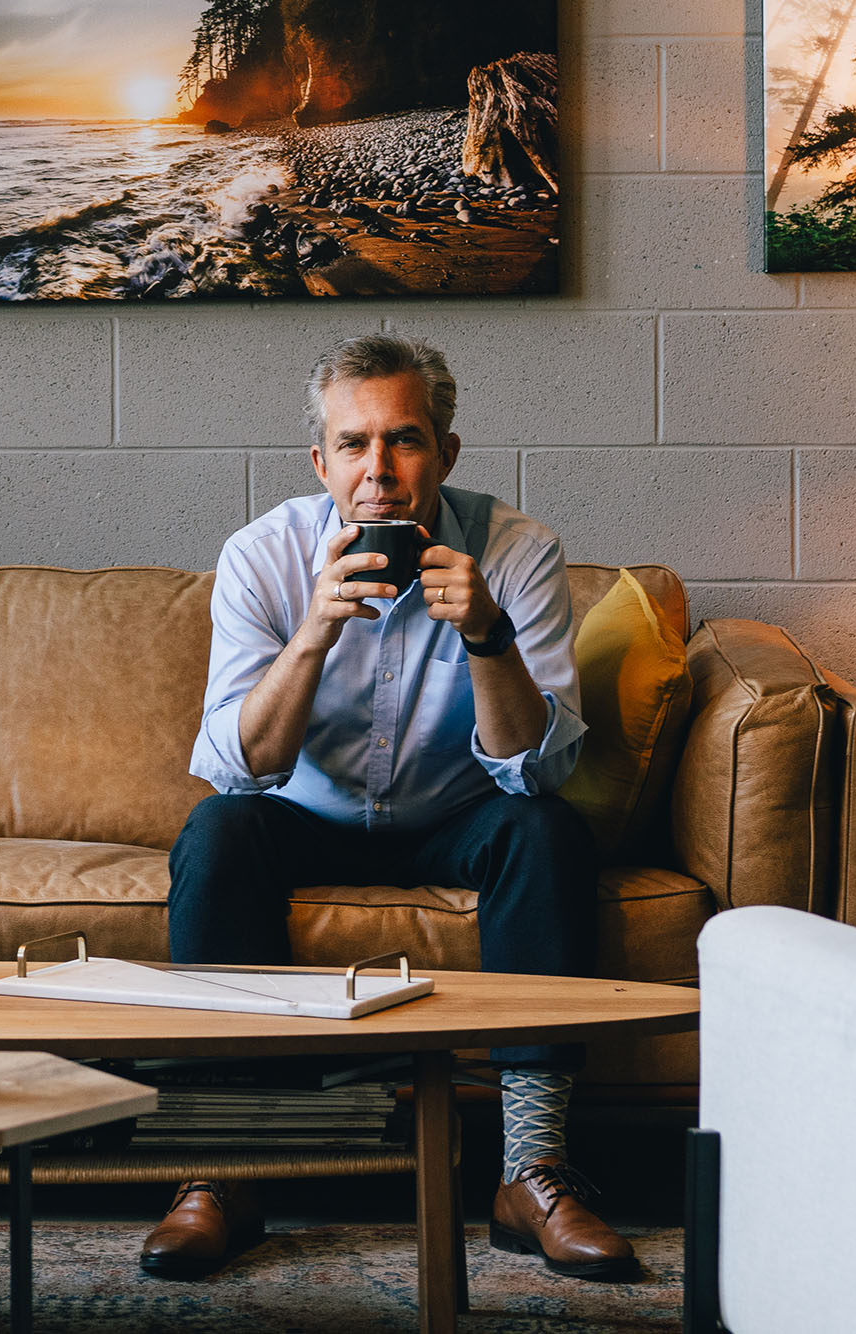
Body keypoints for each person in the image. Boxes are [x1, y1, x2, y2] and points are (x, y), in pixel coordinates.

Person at [141, 334, 636, 1283]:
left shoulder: (518, 551)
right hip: (307, 815)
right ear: (320, 462)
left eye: (404, 440)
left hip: (458, 814)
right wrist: (315, 632)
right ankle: (221, 1170)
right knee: (216, 833)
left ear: (445, 453)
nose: (380, 472)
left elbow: (534, 769)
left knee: (546, 831)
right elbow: (242, 766)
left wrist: (487, 636)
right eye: (355, 444)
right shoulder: (264, 555)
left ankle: (530, 1172)